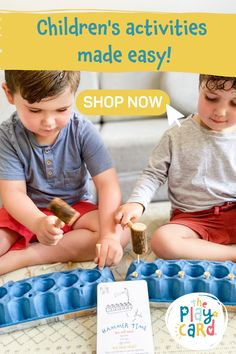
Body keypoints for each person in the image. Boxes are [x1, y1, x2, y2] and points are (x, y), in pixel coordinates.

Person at [0, 70, 129, 275]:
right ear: (9, 94)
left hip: (70, 209)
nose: (49, 122)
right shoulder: (7, 137)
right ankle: (27, 241)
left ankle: (24, 256)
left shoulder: (82, 130)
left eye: (61, 109)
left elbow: (107, 184)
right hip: (26, 210)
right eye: (35, 110)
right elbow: (13, 193)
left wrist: (109, 238)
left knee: (120, 234)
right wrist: (37, 222)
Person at [115, 74, 236, 262]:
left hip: (232, 211)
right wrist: (137, 202)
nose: (220, 112)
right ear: (199, 90)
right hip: (192, 219)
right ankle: (231, 254)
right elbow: (153, 174)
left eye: (234, 103)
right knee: (162, 241)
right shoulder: (176, 134)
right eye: (211, 98)